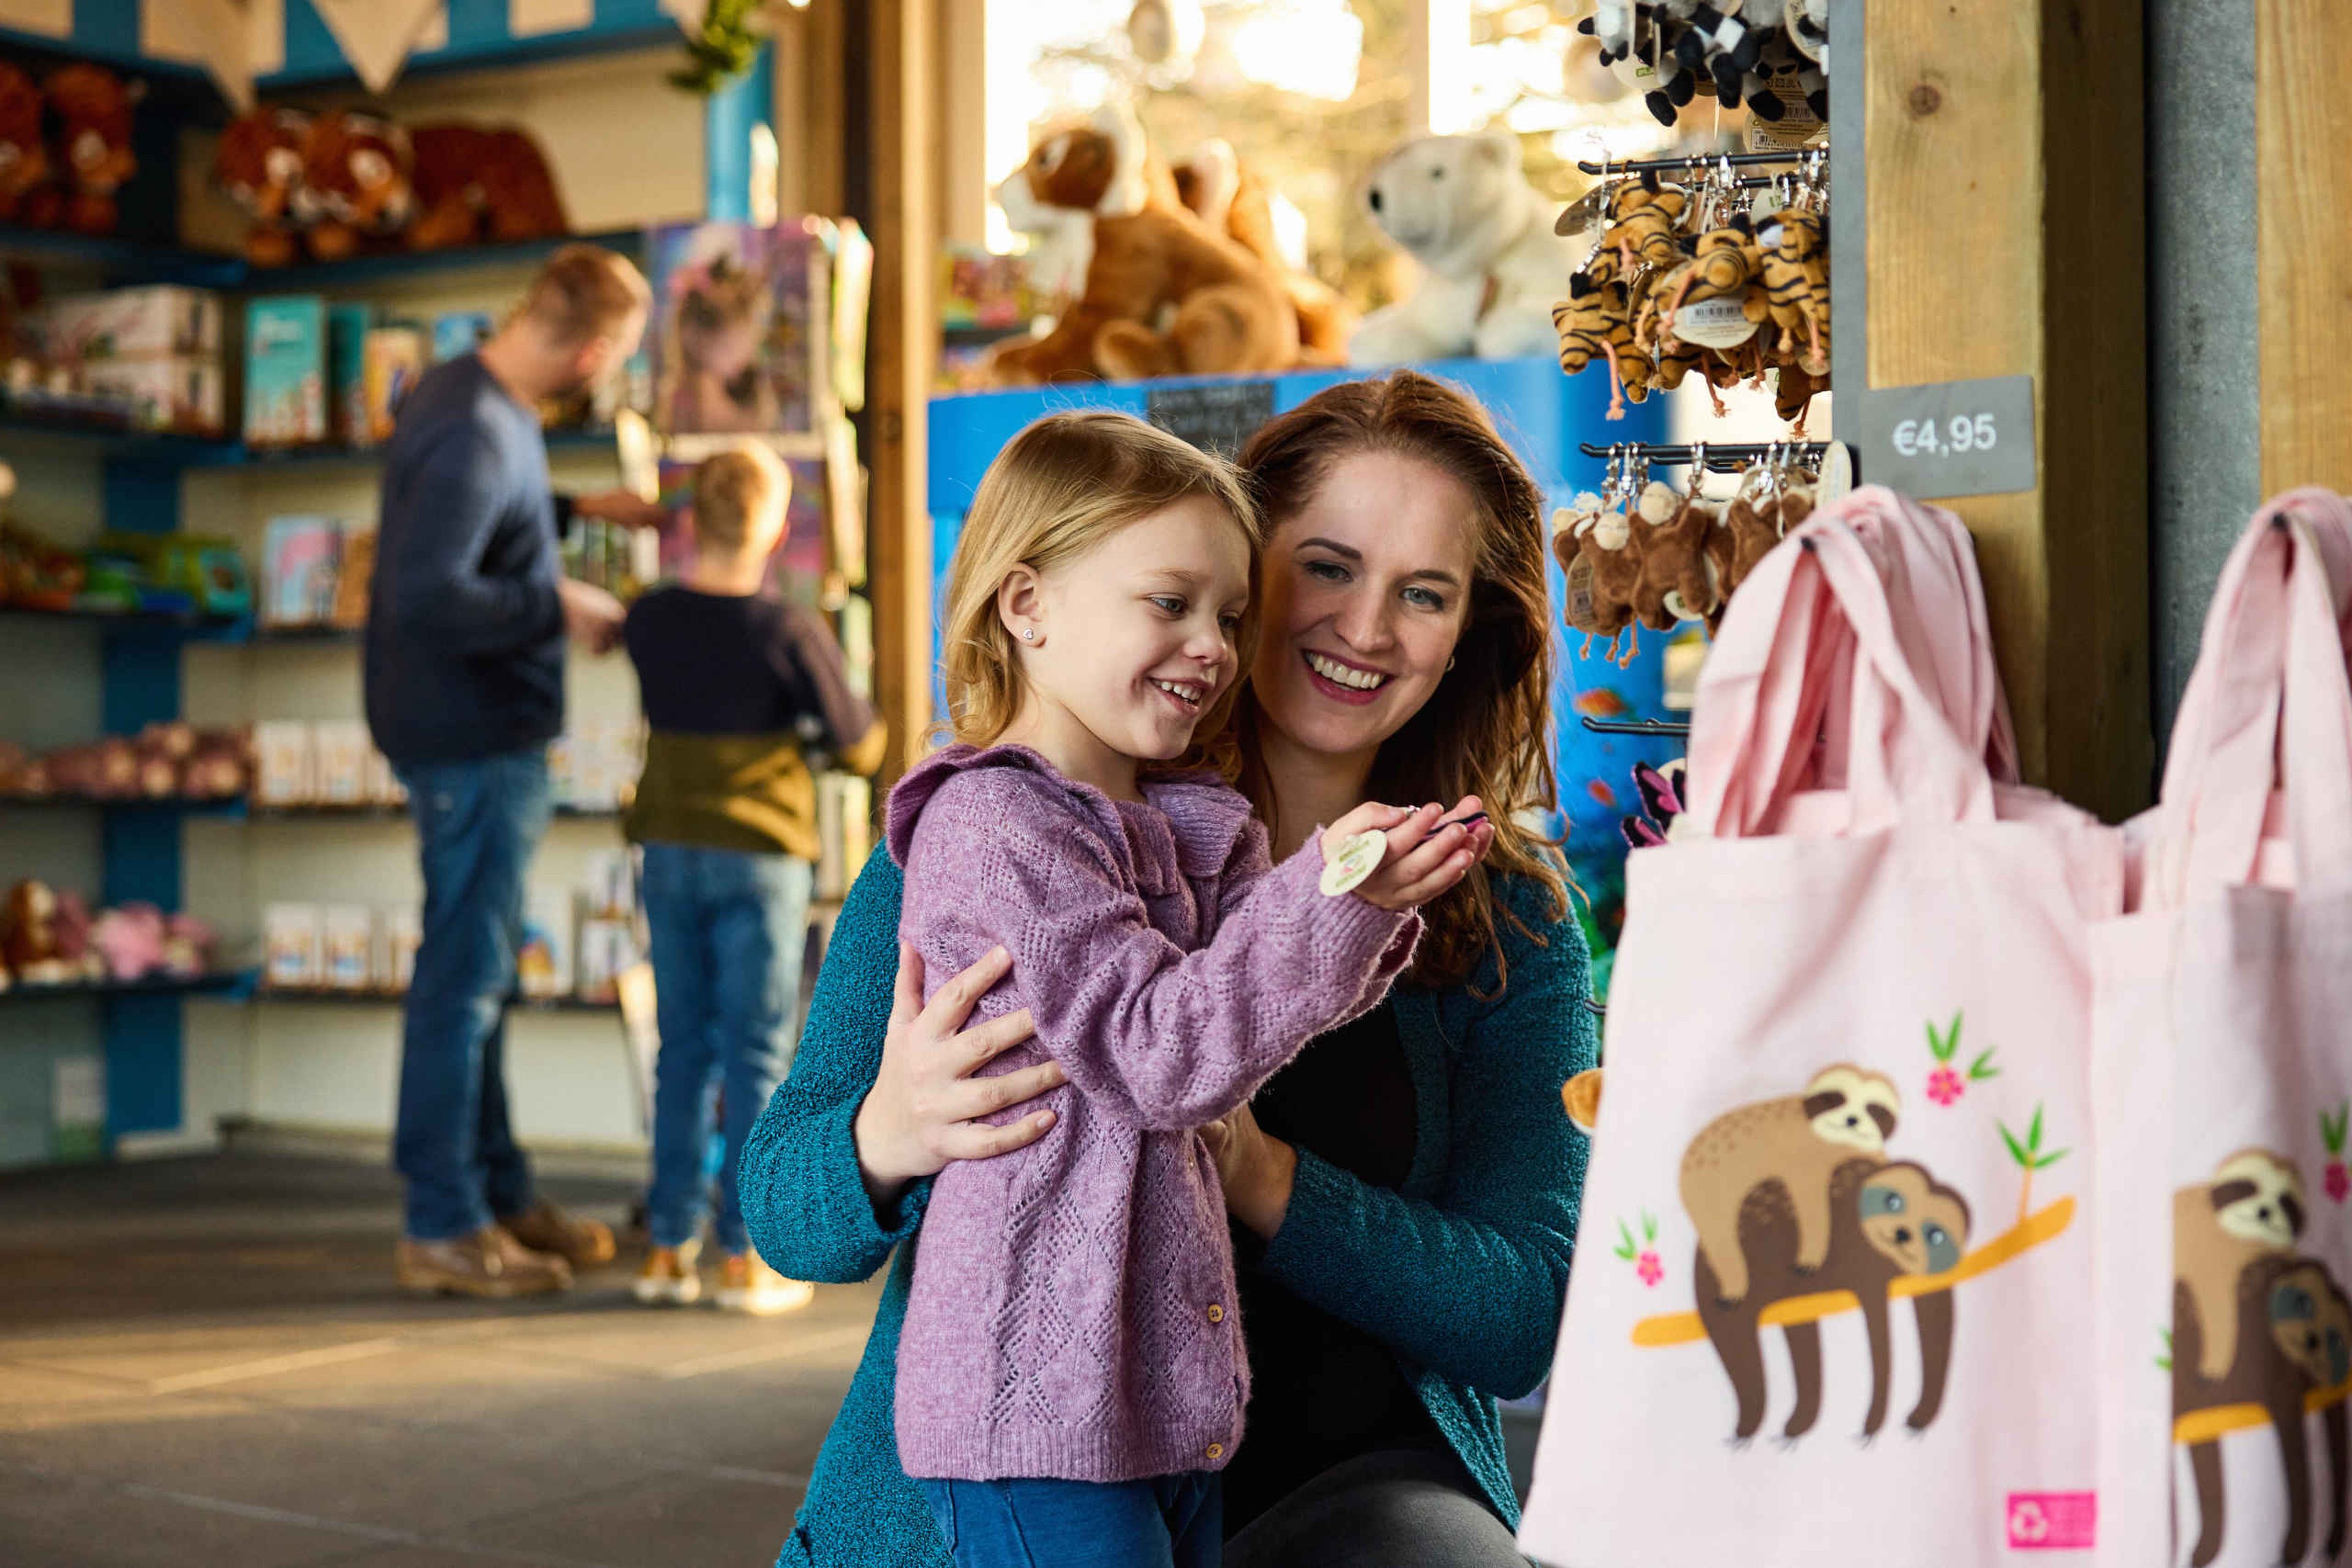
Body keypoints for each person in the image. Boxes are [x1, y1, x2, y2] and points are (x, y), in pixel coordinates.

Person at [742, 371, 1599, 1567]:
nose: (1364, 627)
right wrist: (888, 1129)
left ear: (1468, 635)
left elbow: (1517, 1315)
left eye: (1424, 592)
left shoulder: (1504, 911)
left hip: (1348, 1486)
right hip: (1037, 1462)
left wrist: (1260, 1171)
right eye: (1331, 566)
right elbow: (784, 1205)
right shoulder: (1010, 834)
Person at [880, 410, 1491, 1568]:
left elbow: (1253, 1018)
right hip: (1040, 1409)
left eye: (1226, 614)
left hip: (1153, 1402)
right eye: (1168, 604)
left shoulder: (1164, 826)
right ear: (1027, 605)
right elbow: (1166, 1055)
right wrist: (882, 1131)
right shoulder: (998, 822)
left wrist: (1368, 896)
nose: (1210, 645)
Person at [367, 244, 666, 1299]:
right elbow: (427, 595)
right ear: (590, 347)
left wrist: (578, 518)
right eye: (616, 359)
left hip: (471, 735)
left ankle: (497, 1195)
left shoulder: (469, 397)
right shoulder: (472, 431)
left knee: (479, 974)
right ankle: (442, 1222)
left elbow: (482, 525)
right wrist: (562, 605)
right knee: (464, 980)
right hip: (471, 741)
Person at [622, 443, 884, 1314]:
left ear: (692, 518)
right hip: (762, 857)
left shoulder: (651, 618)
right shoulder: (788, 630)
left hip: (667, 851)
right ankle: (747, 1256)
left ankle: (666, 1251)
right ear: (774, 528)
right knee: (757, 1052)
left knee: (681, 1052)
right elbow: (859, 743)